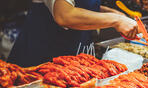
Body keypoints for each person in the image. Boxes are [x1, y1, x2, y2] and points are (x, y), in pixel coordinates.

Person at [8, 0, 139, 67]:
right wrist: (116, 20)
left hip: (73, 62)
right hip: (40, 61)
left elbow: (78, 4)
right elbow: (64, 15)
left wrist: (105, 12)